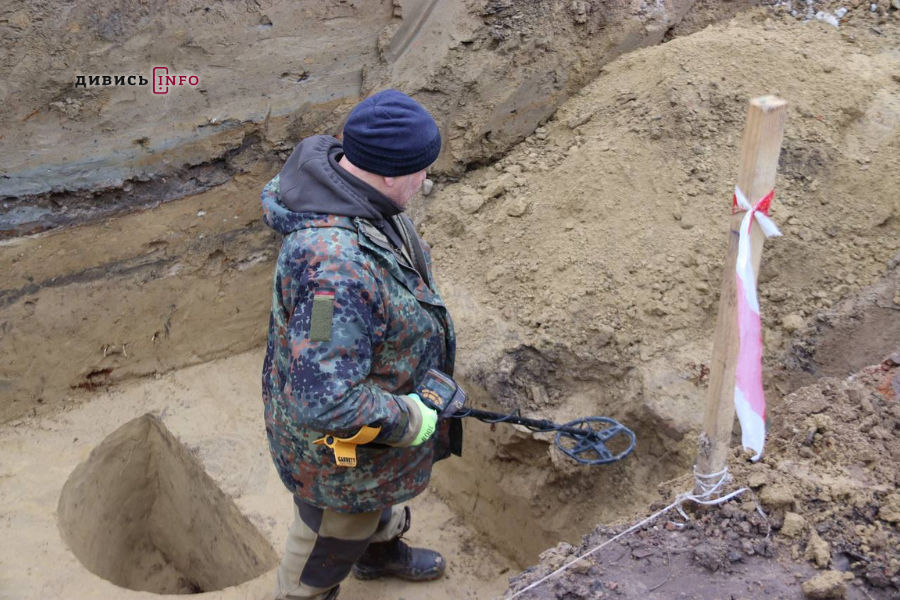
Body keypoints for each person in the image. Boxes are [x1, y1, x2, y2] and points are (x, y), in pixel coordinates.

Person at [260, 89, 462, 600]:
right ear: (389, 174)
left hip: (373, 448)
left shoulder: (358, 195)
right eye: (421, 168)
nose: (426, 178)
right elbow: (325, 399)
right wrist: (412, 419)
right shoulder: (334, 273)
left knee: (374, 507)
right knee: (324, 547)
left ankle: (376, 554)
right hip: (340, 460)